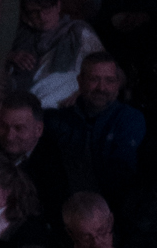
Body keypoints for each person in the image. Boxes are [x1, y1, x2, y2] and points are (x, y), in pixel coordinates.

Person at [52, 53, 146, 203]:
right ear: (80, 81)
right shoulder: (60, 120)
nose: (102, 88)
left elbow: (122, 172)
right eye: (94, 79)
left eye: (109, 80)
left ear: (117, 84)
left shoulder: (129, 119)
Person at [15, 0, 105, 111]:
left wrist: (83, 92)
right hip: (26, 105)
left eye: (47, 9)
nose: (42, 16)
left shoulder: (77, 31)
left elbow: (109, 70)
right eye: (35, 12)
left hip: (63, 106)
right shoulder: (24, 36)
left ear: (58, 6)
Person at [0, 95, 74, 225]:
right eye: (3, 126)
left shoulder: (54, 168)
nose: (9, 136)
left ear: (38, 129)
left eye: (19, 128)